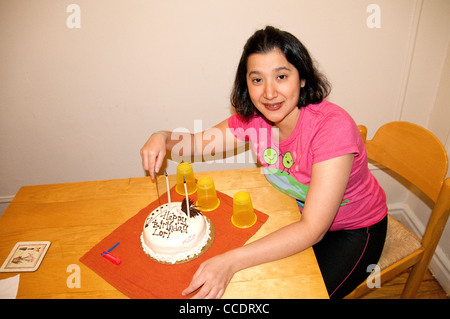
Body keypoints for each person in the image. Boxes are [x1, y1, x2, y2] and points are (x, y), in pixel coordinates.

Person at [140, 26, 387, 299]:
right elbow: (196, 143)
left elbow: (313, 230)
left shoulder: (332, 128)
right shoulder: (254, 120)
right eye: (257, 80)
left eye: (281, 76)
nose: (269, 93)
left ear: (302, 78)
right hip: (297, 214)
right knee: (252, 287)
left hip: (354, 229)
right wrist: (161, 137)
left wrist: (230, 261)